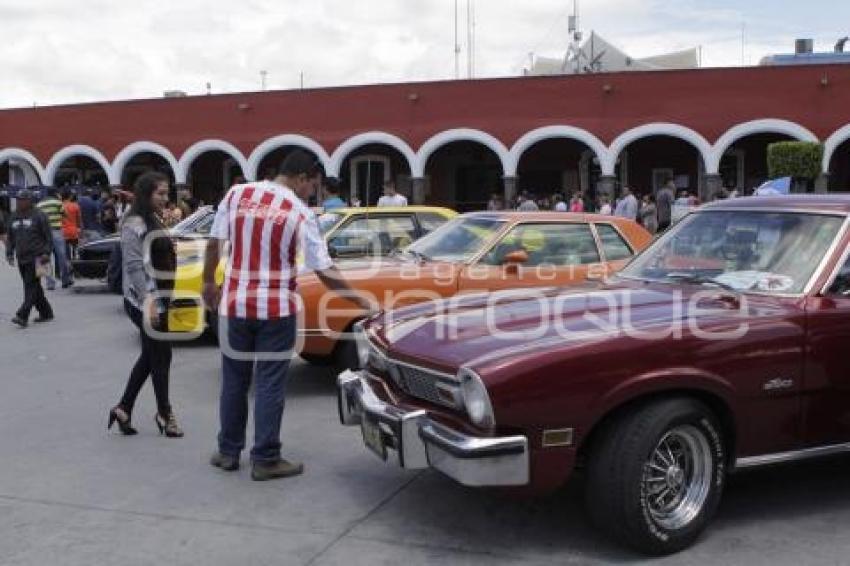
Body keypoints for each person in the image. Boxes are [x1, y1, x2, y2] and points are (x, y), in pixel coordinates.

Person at [202, 150, 372, 481]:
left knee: (234, 380)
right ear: (301, 177)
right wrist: (360, 302)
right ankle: (265, 457)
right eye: (313, 186)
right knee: (269, 382)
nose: (313, 193)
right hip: (276, 310)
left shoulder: (238, 194)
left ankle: (227, 451)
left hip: (235, 305)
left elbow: (213, 244)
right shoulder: (299, 211)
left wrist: (209, 281)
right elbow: (324, 269)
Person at [108, 172, 182, 438]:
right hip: (144, 301)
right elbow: (134, 266)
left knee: (152, 356)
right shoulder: (134, 223)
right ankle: (165, 413)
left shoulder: (151, 218)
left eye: (166, 193)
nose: (165, 198)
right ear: (145, 194)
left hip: (157, 298)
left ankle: (123, 408)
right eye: (160, 193)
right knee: (161, 356)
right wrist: (149, 301)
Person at [5, 189, 54, 328]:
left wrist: (47, 253)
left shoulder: (40, 215)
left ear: (30, 200)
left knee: (30, 286)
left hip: (40, 257)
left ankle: (22, 315)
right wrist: (9, 253)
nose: (19, 202)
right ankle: (46, 312)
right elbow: (10, 237)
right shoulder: (14, 216)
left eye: (23, 200)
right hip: (22, 257)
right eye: (18, 199)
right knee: (34, 286)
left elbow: (48, 237)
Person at [36, 187, 73, 290]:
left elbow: (37, 220)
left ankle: (49, 283)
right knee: (62, 256)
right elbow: (65, 215)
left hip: (42, 234)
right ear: (56, 194)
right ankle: (65, 280)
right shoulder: (57, 202)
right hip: (56, 231)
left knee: (43, 257)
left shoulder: (39, 205)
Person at [61, 190, 82, 260]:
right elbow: (79, 220)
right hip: (73, 231)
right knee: (75, 251)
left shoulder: (60, 206)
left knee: (65, 252)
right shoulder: (75, 206)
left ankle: (67, 263)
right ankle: (75, 262)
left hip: (63, 232)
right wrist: (80, 230)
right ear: (70, 196)